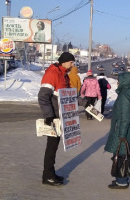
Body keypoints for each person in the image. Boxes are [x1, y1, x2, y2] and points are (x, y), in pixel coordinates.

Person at [37, 52, 76, 186]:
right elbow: (43, 96)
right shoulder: (52, 73)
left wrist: (85, 102)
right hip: (54, 118)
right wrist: (48, 116)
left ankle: (50, 174)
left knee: (54, 147)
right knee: (51, 147)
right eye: (71, 62)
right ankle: (47, 176)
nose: (73, 65)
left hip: (61, 118)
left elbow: (69, 96)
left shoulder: (64, 75)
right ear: (64, 62)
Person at [104, 72, 130, 189]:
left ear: (124, 82)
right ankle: (120, 179)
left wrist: (122, 135)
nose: (117, 82)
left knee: (121, 155)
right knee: (121, 154)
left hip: (124, 131)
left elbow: (125, 117)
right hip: (128, 129)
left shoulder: (125, 96)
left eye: (119, 80)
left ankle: (122, 181)